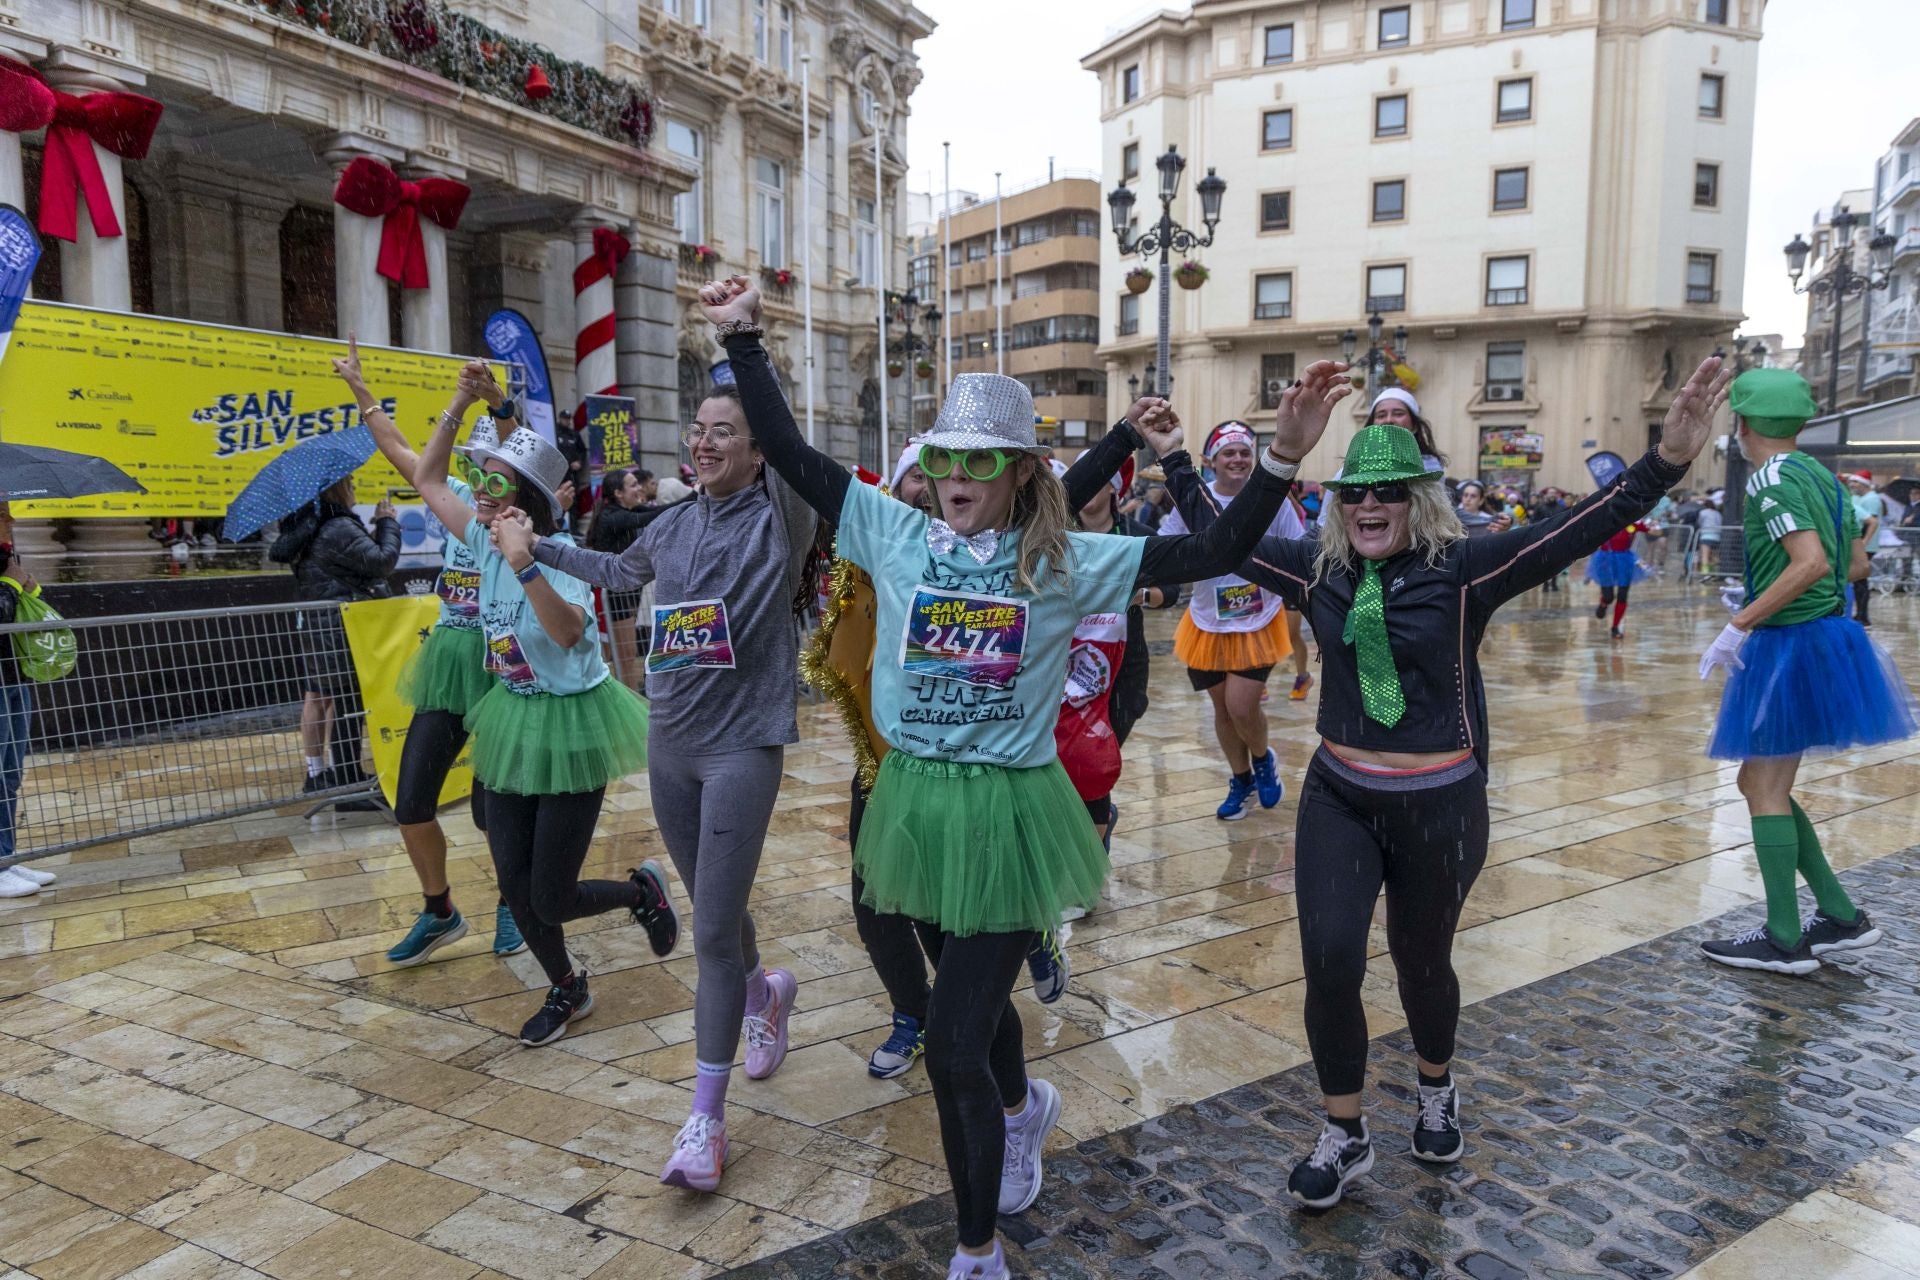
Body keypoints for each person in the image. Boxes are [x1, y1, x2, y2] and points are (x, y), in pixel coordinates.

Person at [700, 272, 1347, 1280]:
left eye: (980, 459)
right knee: (969, 997)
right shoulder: (896, 530)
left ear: (1016, 474)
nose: (956, 473)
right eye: (946, 454)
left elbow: (1217, 543)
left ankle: (975, 1253)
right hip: (911, 803)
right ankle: (1022, 1106)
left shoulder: (1064, 559)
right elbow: (787, 450)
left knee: (953, 1039)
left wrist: (1280, 457)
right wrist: (744, 336)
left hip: (1009, 809)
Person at [1167, 355, 1732, 1211]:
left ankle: (1435, 1084)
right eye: (1354, 493)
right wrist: (1202, 457)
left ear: (1417, 502)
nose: (1368, 506)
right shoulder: (1316, 572)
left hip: (1440, 803)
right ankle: (1345, 1130)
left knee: (1420, 959)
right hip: (1341, 797)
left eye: (1387, 494)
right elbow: (1220, 538)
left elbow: (1584, 524)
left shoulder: (1466, 571)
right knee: (1327, 959)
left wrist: (1668, 460)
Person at [503, 379, 818, 1194]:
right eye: (700, 429)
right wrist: (534, 548)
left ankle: (705, 1122)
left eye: (727, 431)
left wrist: (746, 345)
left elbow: (789, 446)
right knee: (720, 911)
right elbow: (612, 566)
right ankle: (763, 992)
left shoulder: (783, 519)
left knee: (710, 929)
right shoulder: (673, 521)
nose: (706, 442)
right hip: (669, 743)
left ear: (757, 451)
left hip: (742, 747)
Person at [414, 370, 677, 1049]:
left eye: (495, 482)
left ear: (525, 498)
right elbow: (429, 481)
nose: (479, 490)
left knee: (552, 893)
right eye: (482, 479)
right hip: (512, 716)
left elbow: (565, 633)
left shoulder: (562, 557)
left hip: (571, 722)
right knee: (514, 883)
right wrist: (461, 403)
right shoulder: (477, 534)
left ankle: (640, 893)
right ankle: (567, 984)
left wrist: (526, 561)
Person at [1697, 370, 1916, 974]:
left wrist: (1742, 620)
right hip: (1825, 641)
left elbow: (1812, 563)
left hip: (1785, 646)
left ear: (1742, 426)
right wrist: (1769, 589)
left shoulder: (1769, 482)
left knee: (1762, 787)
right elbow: (1857, 565)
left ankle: (1785, 938)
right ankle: (1840, 916)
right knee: (1760, 783)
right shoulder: (1826, 479)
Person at [330, 337, 527, 964]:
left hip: (505, 666)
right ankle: (439, 910)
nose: (482, 475)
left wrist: (494, 400)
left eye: (492, 469)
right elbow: (396, 449)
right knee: (412, 800)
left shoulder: (517, 519)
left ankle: (514, 904)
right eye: (475, 466)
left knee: (496, 810)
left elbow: (518, 448)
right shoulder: (456, 504)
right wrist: (359, 388)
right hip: (449, 660)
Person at [1161, 421, 1307, 820]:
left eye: (1245, 452)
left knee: (1242, 706)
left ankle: (1262, 759)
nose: (1238, 459)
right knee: (1222, 711)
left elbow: (1298, 550)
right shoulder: (1196, 499)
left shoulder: (1272, 500)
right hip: (1207, 620)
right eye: (1229, 453)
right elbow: (1165, 544)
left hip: (1258, 617)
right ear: (1212, 460)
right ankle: (1240, 779)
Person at [269, 471, 401, 807]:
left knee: (333, 699)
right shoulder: (336, 526)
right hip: (342, 627)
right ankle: (347, 780)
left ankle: (329, 774)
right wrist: (387, 524)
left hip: (321, 626)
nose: (355, 490)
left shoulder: (309, 527)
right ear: (338, 489)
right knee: (347, 704)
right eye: (351, 484)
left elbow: (349, 564)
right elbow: (382, 562)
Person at [0, 538, 56, 898]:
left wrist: (25, 585)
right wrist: (11, 584)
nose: (10, 518)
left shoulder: (5, 553)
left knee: (9, 775)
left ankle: (4, 859)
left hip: (13, 676)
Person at [1585, 519, 1652, 639]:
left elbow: (1653, 531)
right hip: (1605, 560)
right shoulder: (1604, 519)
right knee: (1608, 596)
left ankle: (1615, 627)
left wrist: (1652, 525)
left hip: (1624, 561)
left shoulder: (1633, 522)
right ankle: (1604, 603)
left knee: (1622, 595)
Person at [1844, 472, 1882, 629]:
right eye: (1851, 483)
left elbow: (1870, 522)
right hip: (1860, 543)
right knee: (1858, 580)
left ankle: (1863, 616)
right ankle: (1860, 614)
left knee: (1860, 579)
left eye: (1855, 483)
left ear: (1864, 483)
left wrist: (1863, 542)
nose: (1852, 485)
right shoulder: (1859, 498)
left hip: (1866, 544)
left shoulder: (1872, 499)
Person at [1697, 495, 1723, 577]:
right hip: (1717, 537)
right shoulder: (1718, 513)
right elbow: (1720, 523)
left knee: (1705, 556)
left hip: (1706, 536)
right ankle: (1713, 572)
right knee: (1714, 556)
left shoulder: (1702, 512)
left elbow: (1700, 522)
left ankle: (1705, 573)